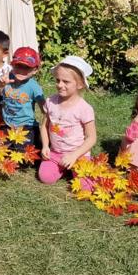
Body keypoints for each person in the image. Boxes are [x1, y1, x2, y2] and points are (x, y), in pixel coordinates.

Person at [38, 56, 97, 186]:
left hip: (78, 154)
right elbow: (44, 126)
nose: (60, 85)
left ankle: (75, 166)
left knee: (85, 186)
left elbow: (91, 138)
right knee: (45, 177)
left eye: (66, 81)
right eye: (57, 80)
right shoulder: (51, 102)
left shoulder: (84, 108)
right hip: (56, 153)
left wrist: (74, 155)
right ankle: (62, 168)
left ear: (80, 84)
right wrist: (45, 146)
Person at [0, 47, 45, 148]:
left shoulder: (33, 86)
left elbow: (45, 109)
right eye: (18, 66)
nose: (21, 70)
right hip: (7, 124)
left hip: (26, 126)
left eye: (26, 68)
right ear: (12, 65)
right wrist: (0, 85)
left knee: (22, 152)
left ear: (35, 70)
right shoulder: (7, 79)